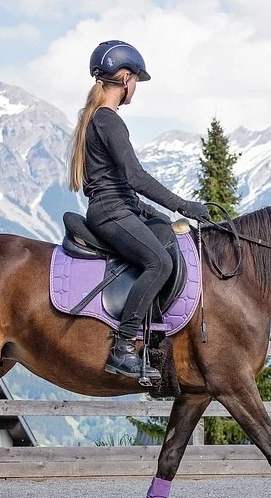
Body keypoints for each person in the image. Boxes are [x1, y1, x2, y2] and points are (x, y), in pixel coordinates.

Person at [68, 40, 211, 379]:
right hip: (110, 213)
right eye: (136, 83)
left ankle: (157, 340)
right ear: (126, 79)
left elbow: (121, 185)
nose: (136, 90)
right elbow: (135, 177)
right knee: (158, 262)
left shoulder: (98, 119)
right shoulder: (109, 120)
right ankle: (122, 346)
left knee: (165, 237)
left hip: (118, 207)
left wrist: (154, 214)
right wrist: (184, 206)